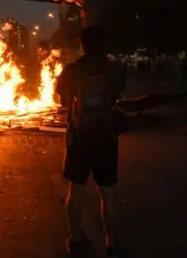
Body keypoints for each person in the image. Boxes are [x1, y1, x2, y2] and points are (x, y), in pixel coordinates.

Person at [56, 26, 125, 258]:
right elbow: (119, 96)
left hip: (79, 138)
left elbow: (63, 100)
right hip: (106, 137)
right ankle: (111, 242)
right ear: (104, 44)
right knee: (107, 192)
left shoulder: (72, 70)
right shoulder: (115, 70)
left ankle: (75, 238)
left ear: (81, 44)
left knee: (75, 190)